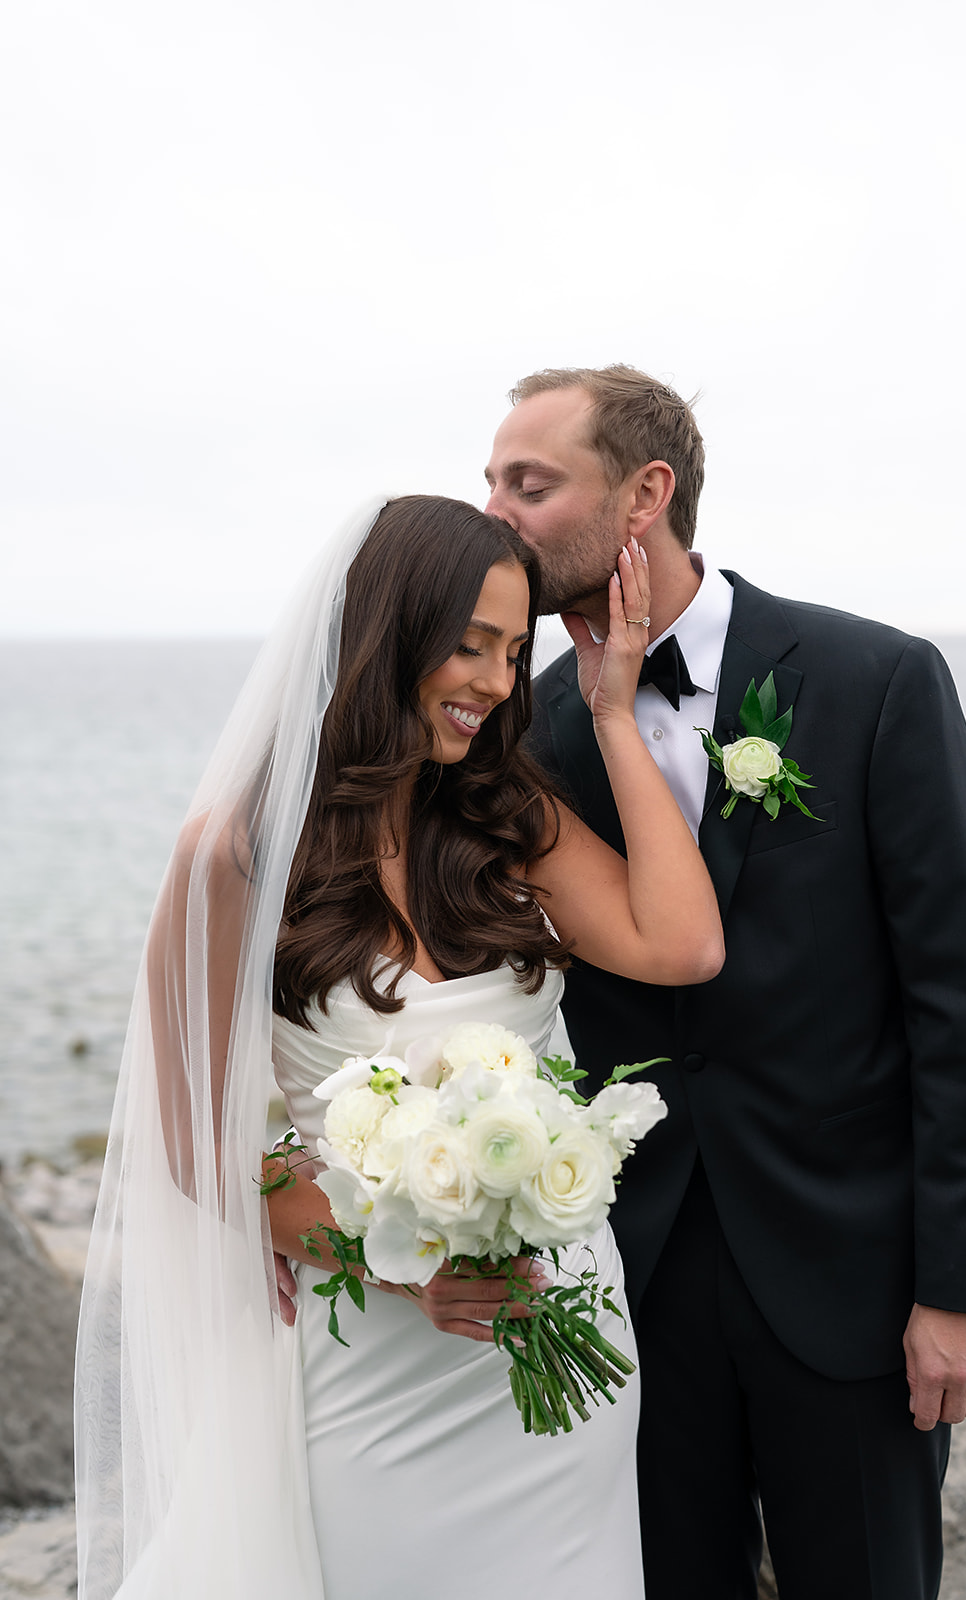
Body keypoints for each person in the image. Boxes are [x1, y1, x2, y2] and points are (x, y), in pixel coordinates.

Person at [74, 494, 723, 1600]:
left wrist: (614, 714)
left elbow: (683, 943)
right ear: (389, 632)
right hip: (379, 1360)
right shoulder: (234, 852)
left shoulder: (509, 816)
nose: (493, 681)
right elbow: (200, 1148)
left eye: (514, 654)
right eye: (469, 643)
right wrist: (400, 1260)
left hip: (564, 1334)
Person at [484, 365, 966, 1600]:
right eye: (490, 483)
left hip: (852, 1273)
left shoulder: (875, 680)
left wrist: (965, 1286)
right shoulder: (522, 730)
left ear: (646, 494)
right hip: (628, 1277)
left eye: (531, 483)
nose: (497, 513)